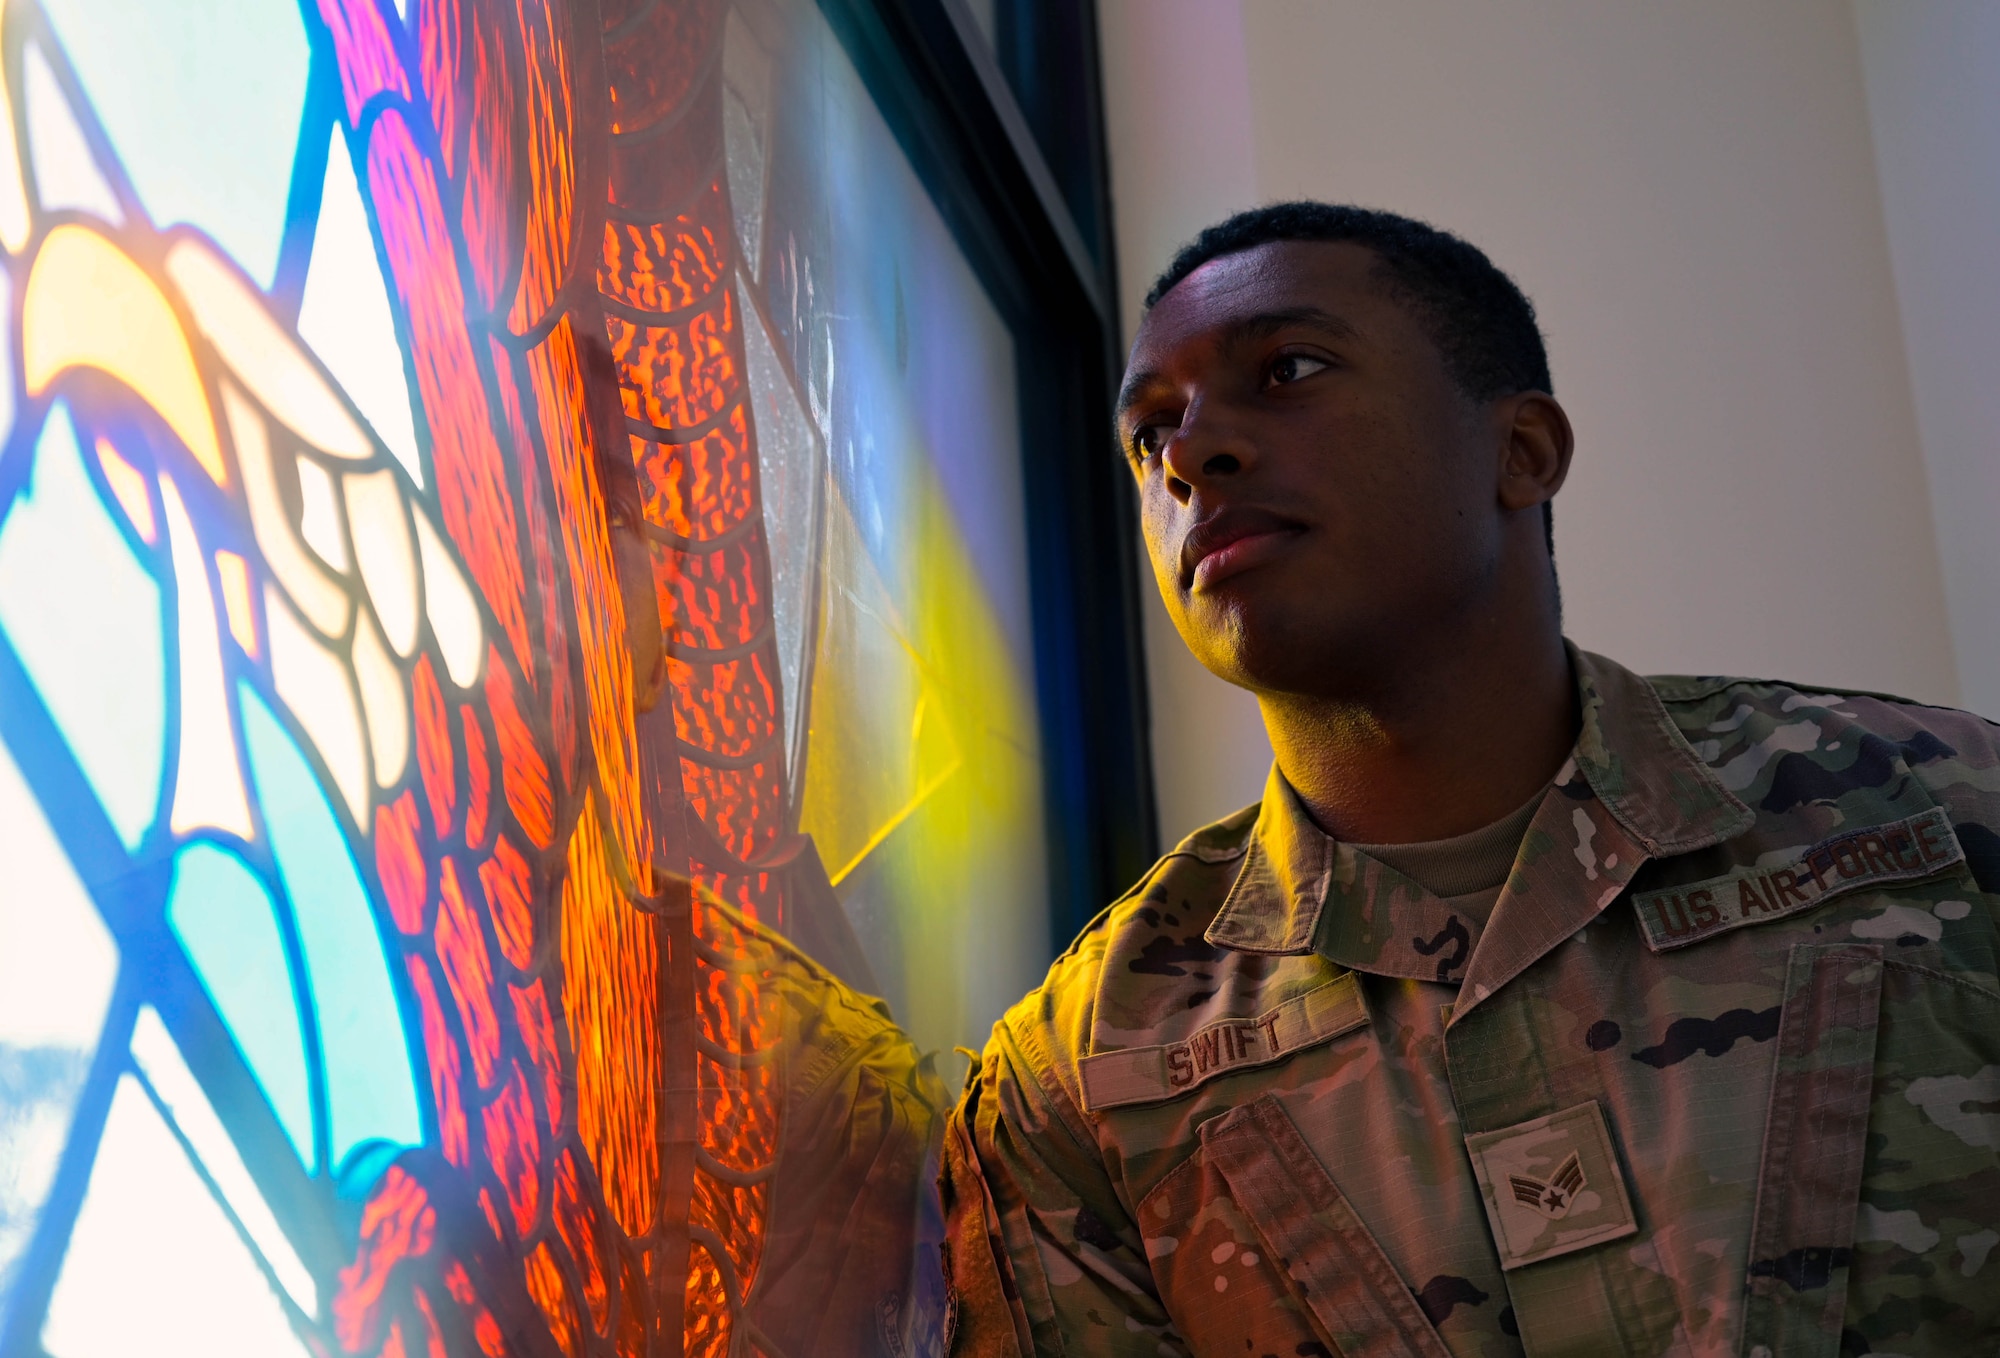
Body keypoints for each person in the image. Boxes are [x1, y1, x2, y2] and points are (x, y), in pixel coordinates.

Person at [939, 202, 2000, 1357]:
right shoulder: (1078, 1071)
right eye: (1148, 437)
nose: (1190, 453)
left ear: (1521, 450)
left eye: (1287, 369)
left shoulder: (1947, 812)